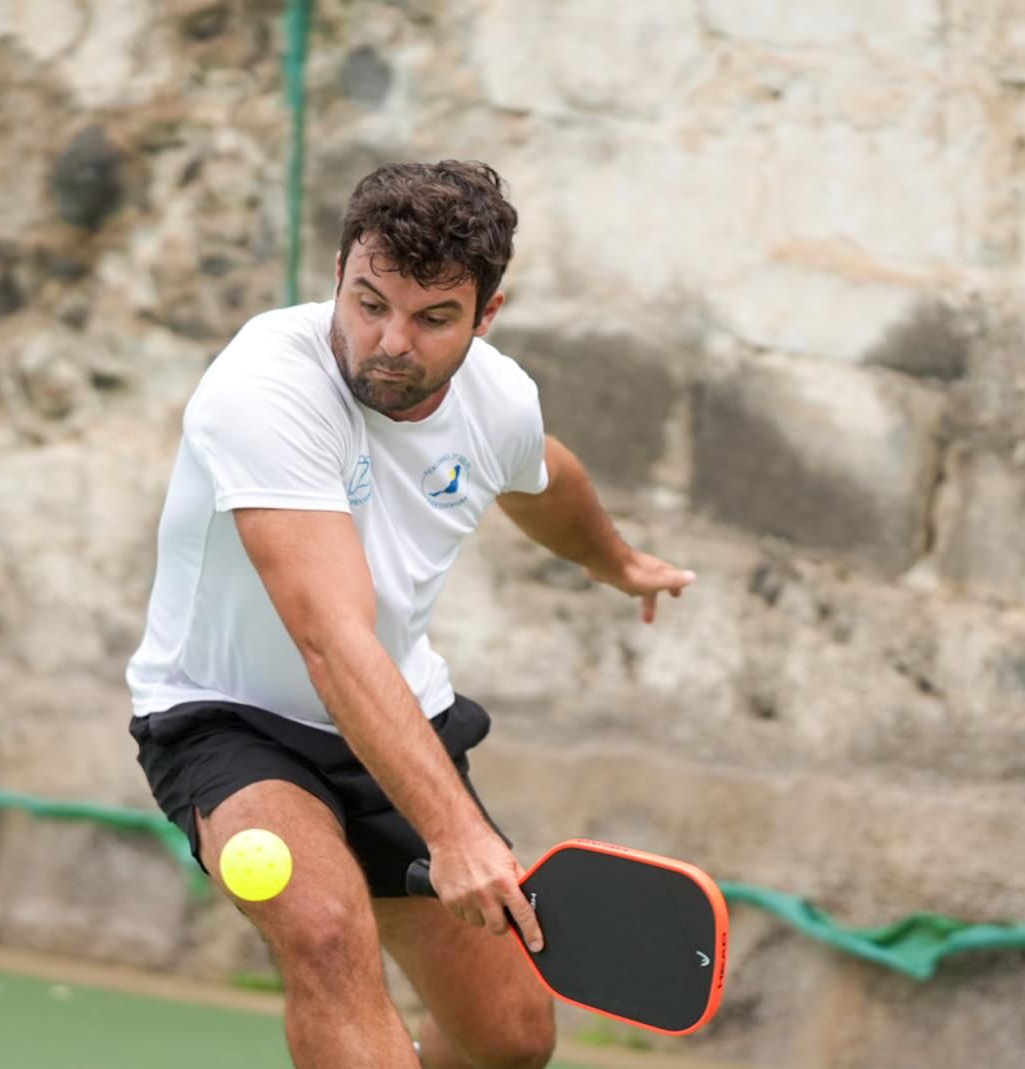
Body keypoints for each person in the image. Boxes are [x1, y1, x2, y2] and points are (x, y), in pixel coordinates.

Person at [126, 160, 696, 1069]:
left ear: (486, 315)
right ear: (341, 275)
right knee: (321, 933)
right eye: (369, 302)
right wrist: (456, 830)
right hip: (231, 719)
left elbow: (542, 476)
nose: (390, 341)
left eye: (433, 318)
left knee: (510, 1039)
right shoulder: (266, 387)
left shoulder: (497, 400)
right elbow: (329, 637)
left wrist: (616, 561)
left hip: (397, 714)